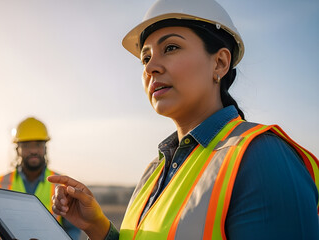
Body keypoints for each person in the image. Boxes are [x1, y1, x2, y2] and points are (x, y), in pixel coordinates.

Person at [48, 0, 319, 239]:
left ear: (220, 63)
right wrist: (97, 227)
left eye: (171, 47)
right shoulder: (154, 170)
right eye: (145, 58)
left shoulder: (262, 157)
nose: (151, 67)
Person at [0, 117, 81, 240]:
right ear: (17, 150)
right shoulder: (1, 183)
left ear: (45, 148)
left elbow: (72, 228)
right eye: (26, 145)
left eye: (38, 144)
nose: (33, 150)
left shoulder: (60, 184)